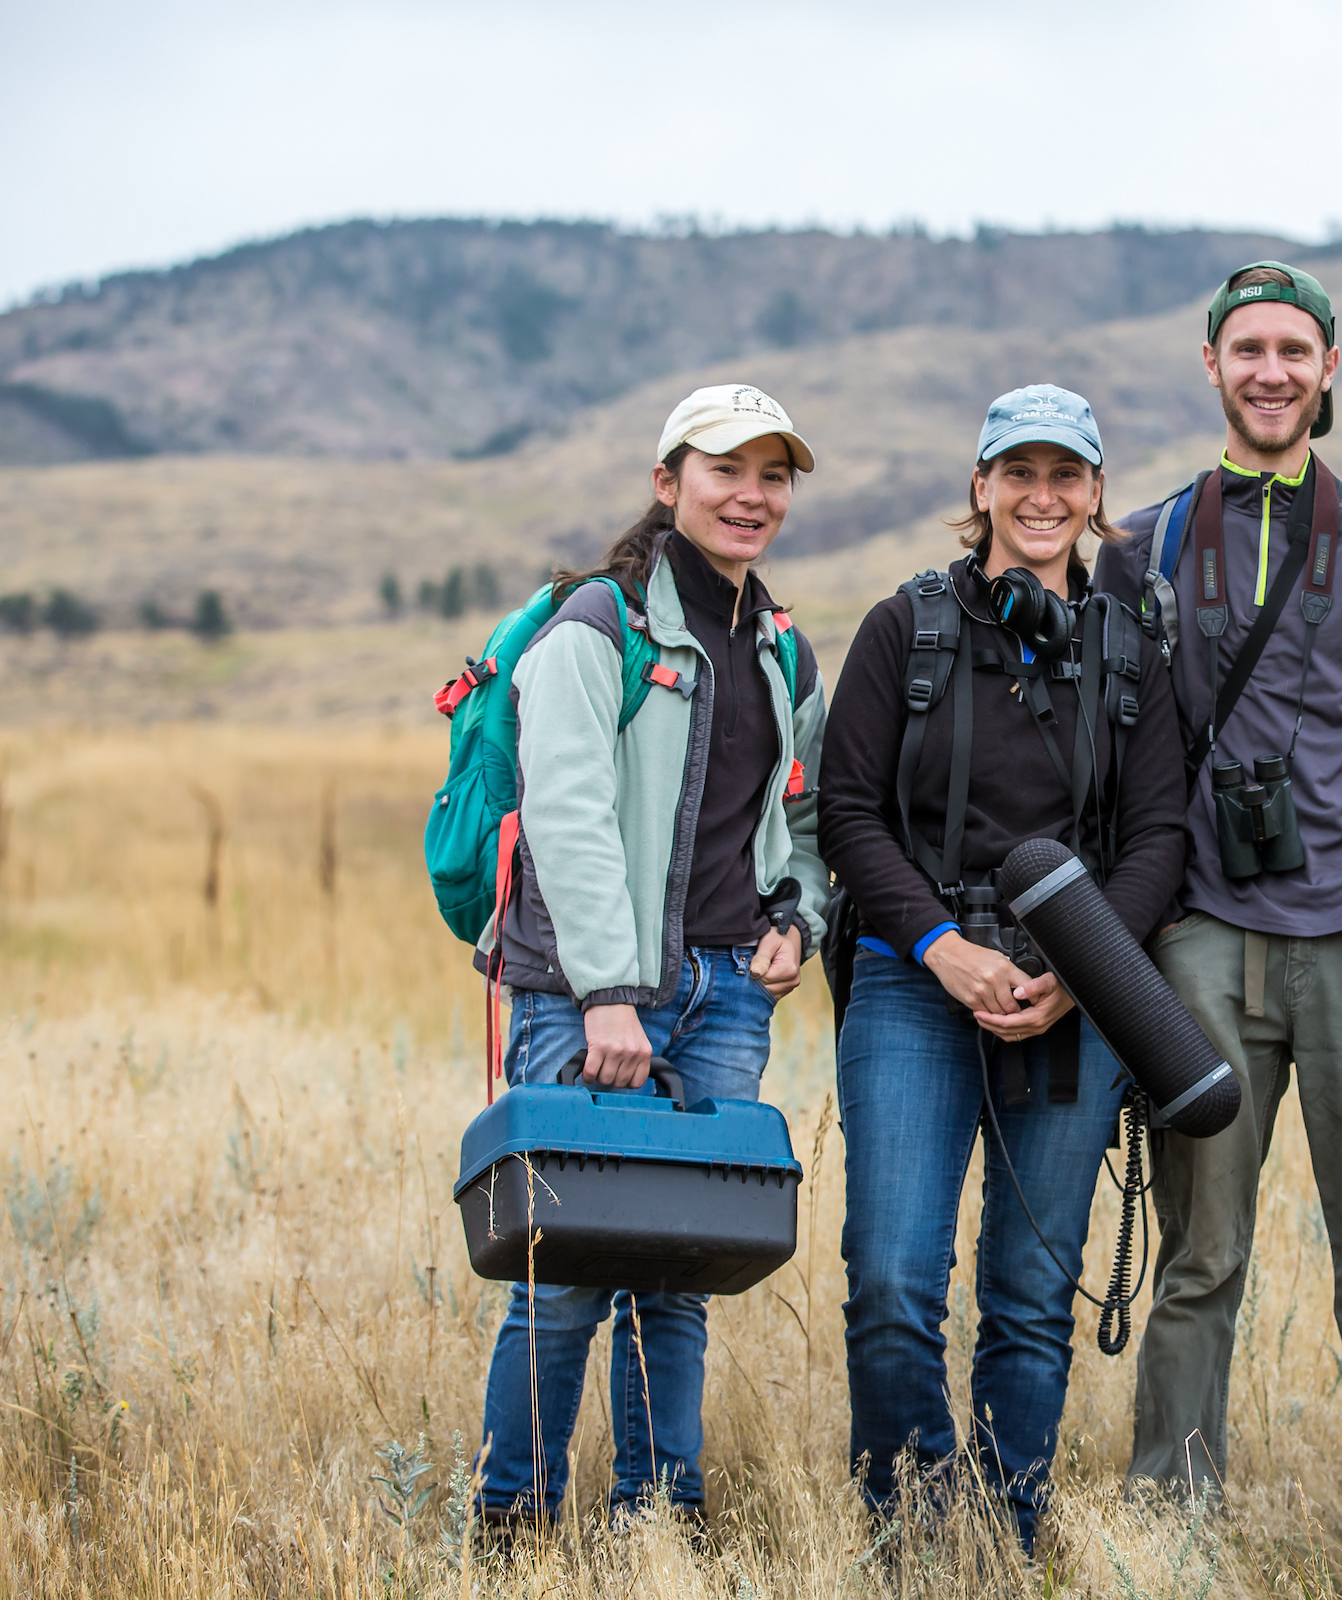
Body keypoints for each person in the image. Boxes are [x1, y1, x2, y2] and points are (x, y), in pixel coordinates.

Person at [1091, 264, 1342, 1518]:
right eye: (1248, 348)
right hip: (1207, 944)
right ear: (1209, 365)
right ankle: (1172, 1524)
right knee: (1198, 1260)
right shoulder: (1145, 545)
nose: (1271, 370)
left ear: (1330, 372)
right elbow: (1104, 761)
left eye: (1296, 350)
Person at [817, 384, 1187, 1551]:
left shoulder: (1133, 646)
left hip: (1073, 996)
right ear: (978, 487)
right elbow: (846, 813)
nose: (1041, 496)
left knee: (1031, 1299)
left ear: (1094, 496)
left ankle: (1007, 1538)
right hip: (911, 981)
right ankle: (912, 1535)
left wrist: (1085, 971)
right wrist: (941, 946)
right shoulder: (903, 627)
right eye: (1017, 473)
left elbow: (1161, 835)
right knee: (889, 1283)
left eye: (1065, 475)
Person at [475, 383, 831, 1532]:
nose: (752, 495)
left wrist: (799, 916)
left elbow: (804, 819)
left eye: (773, 475)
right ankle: (510, 1524)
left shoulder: (780, 646)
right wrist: (608, 994)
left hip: (728, 995)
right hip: (593, 1001)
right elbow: (568, 812)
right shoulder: (598, 625)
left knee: (681, 1274)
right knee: (561, 1274)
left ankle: (658, 1522)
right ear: (668, 481)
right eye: (728, 469)